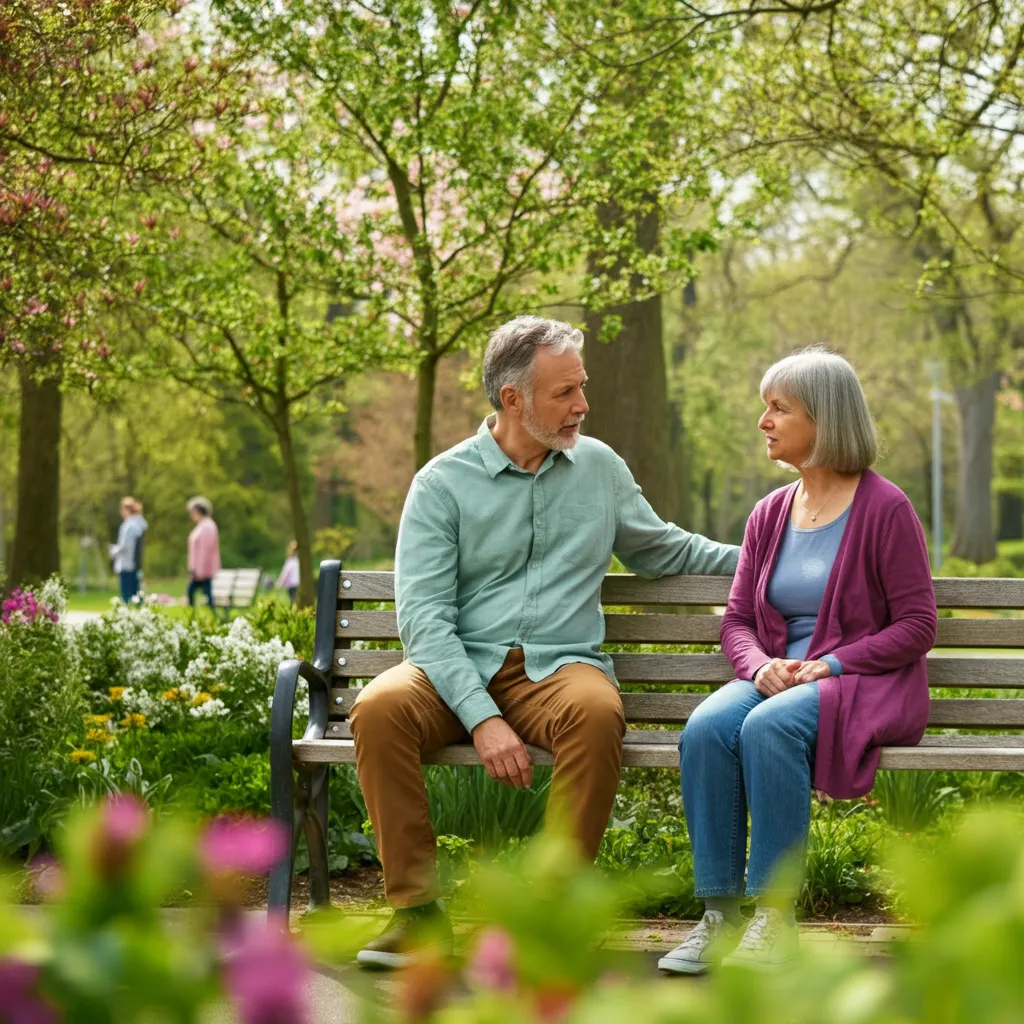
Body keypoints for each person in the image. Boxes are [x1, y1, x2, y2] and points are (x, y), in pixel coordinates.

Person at [350, 315, 740, 969]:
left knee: (596, 713)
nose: (582, 405)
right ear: (512, 399)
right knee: (379, 707)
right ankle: (416, 915)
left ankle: (549, 919)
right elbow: (424, 621)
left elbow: (663, 550)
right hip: (457, 666)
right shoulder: (441, 485)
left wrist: (775, 551)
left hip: (560, 668)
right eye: (565, 392)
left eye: (581, 388)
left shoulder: (599, 469)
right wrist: (482, 719)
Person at [658, 348, 936, 976]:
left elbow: (918, 626)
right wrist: (758, 666)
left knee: (769, 726)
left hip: (863, 682)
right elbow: (736, 621)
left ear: (825, 419)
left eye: (779, 408)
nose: (765, 421)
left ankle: (774, 919)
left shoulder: (885, 510)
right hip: (778, 676)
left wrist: (832, 666)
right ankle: (718, 918)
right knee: (706, 728)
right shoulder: (769, 512)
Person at [109, 497, 148, 603]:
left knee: (126, 595)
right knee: (136, 593)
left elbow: (124, 546)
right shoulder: (139, 525)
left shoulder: (128, 526)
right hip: (135, 563)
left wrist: (113, 551)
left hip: (126, 563)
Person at [186, 496, 221, 609]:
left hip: (203, 570)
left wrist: (200, 571)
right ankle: (209, 615)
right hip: (199, 570)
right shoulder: (203, 526)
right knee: (205, 595)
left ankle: (196, 615)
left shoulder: (207, 527)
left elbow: (205, 551)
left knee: (193, 592)